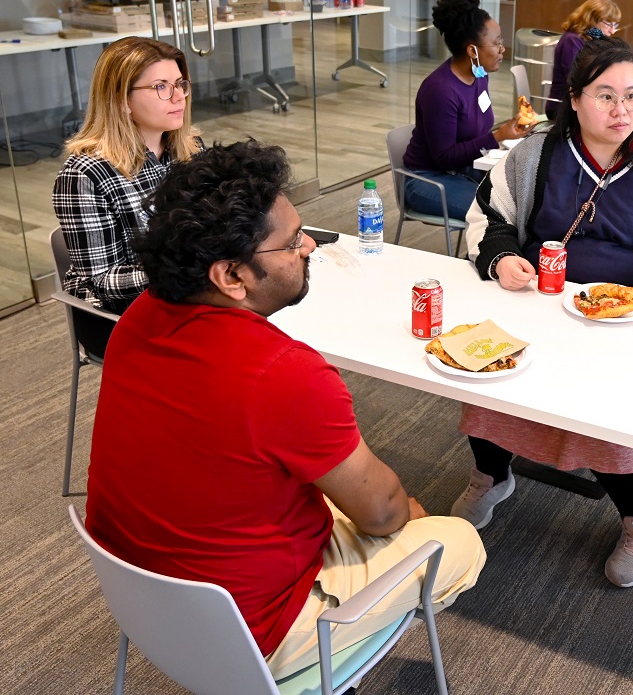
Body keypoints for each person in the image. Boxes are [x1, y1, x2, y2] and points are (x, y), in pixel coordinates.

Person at [84, 140, 486, 680]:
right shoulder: (282, 372)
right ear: (231, 276)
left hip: (143, 600)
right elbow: (384, 513)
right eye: (292, 242)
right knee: (457, 540)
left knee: (333, 491)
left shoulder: (138, 316)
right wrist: (406, 514)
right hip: (252, 635)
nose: (309, 248)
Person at [459, 37, 633, 587]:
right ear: (575, 99)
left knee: (615, 413)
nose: (622, 110)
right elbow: (489, 215)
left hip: (626, 312)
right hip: (537, 300)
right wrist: (504, 258)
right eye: (605, 96)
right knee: (488, 375)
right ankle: (491, 474)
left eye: (632, 96)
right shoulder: (534, 153)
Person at [52, 37, 203, 354]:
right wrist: (190, 269)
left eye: (180, 84)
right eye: (161, 87)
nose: (178, 97)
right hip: (118, 316)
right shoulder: (84, 175)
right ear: (121, 99)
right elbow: (101, 281)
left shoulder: (189, 150)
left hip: (189, 293)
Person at [402, 0, 529, 221]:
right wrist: (497, 136)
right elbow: (444, 157)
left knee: (522, 199)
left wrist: (503, 136)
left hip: (462, 170)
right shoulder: (440, 90)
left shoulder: (479, 75)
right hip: (427, 179)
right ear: (473, 51)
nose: (502, 49)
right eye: (497, 42)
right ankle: (489, 255)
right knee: (498, 212)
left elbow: (475, 132)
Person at [546, 0, 623, 118]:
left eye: (615, 25)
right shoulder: (572, 41)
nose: (612, 31)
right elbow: (576, 78)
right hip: (563, 108)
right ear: (592, 20)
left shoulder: (592, 41)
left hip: (578, 105)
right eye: (608, 24)